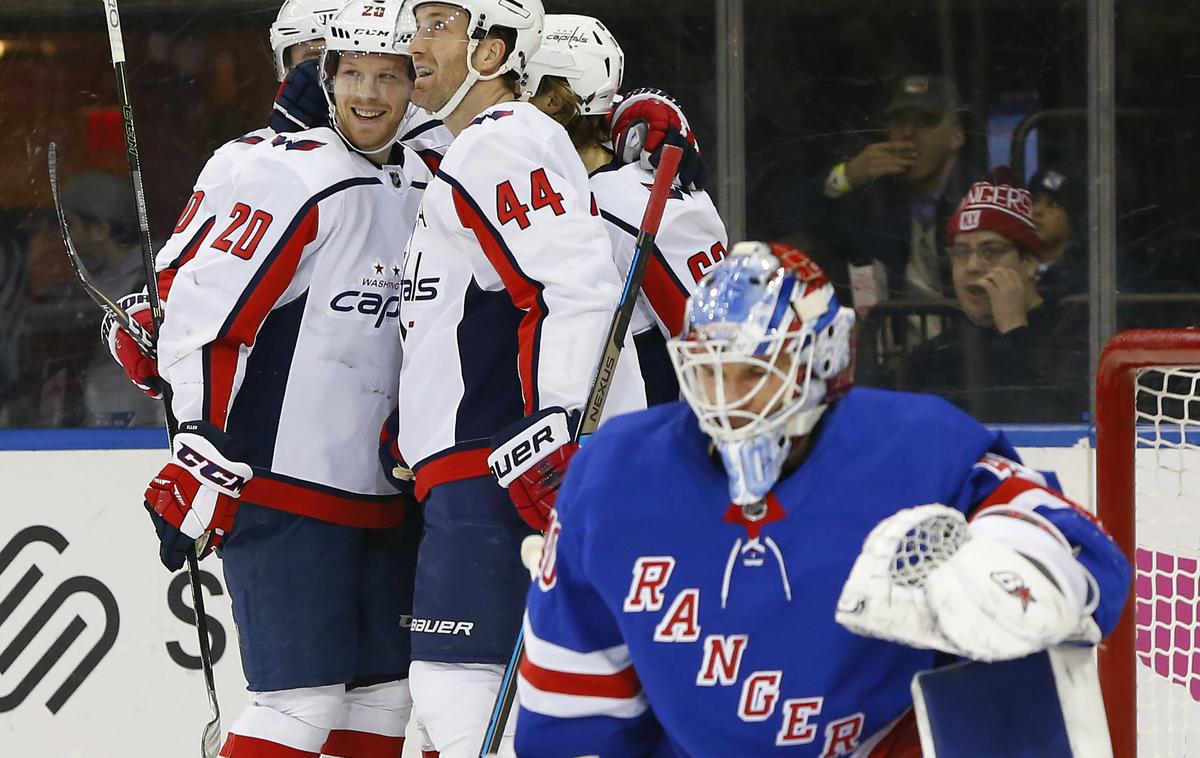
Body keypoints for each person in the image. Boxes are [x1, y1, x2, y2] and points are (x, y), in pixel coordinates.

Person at [515, 240, 1131, 755]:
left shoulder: (916, 447)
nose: (726, 398)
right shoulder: (617, 477)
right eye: (709, 370)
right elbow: (576, 715)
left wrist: (1017, 563)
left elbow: (1078, 543)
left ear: (823, 360)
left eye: (754, 372)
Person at [112, 3, 429, 755]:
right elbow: (206, 322)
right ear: (325, 74)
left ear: (415, 85)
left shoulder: (433, 176)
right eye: (352, 71)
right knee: (297, 705)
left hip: (391, 490)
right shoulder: (283, 174)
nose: (370, 92)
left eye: (389, 75)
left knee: (385, 701)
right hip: (284, 486)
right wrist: (200, 447)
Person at [392, 0, 646, 752]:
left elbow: (573, 288)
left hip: (497, 467)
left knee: (458, 688)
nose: (416, 44)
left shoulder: (500, 143)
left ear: (494, 51)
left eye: (439, 25)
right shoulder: (475, 147)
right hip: (479, 463)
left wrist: (558, 431)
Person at [522, 14, 729, 405]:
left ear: (552, 99)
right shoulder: (552, 186)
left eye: (519, 83)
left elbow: (717, 343)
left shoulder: (625, 200)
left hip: (642, 435)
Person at [901, 175, 1090, 422]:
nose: (973, 266)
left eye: (991, 250)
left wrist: (1013, 330)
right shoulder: (936, 356)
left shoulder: (1074, 335)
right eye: (961, 253)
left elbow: (1061, 431)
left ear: (1029, 263)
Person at [812, 75, 982, 305]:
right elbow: (798, 225)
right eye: (899, 121)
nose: (908, 133)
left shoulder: (982, 199)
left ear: (956, 136)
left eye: (925, 121)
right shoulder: (873, 198)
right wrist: (846, 176)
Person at [1029, 165, 1087, 303]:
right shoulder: (1010, 265)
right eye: (1033, 200)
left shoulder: (1087, 275)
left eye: (1053, 204)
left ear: (1073, 216)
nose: (1036, 210)